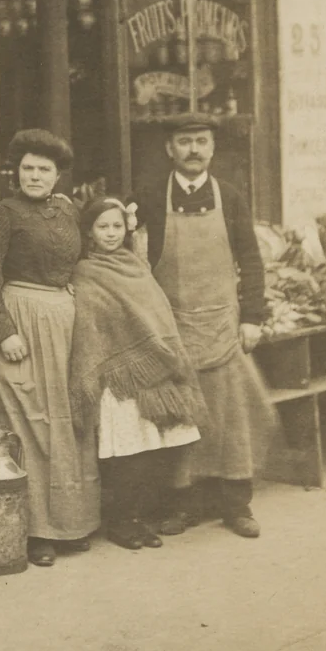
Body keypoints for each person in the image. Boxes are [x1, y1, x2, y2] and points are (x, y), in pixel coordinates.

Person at [132, 113, 275, 539]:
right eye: (185, 141)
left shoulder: (230, 197)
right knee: (179, 420)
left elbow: (250, 260)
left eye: (201, 141)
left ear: (212, 148)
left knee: (232, 420)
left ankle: (237, 505)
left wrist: (252, 317)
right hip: (171, 330)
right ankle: (182, 505)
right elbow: (131, 263)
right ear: (169, 149)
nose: (193, 149)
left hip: (223, 328)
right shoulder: (149, 198)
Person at [0, 129, 101, 567]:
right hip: (20, 324)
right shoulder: (2, 215)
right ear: (15, 172)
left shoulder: (67, 210)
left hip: (63, 325)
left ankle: (72, 524)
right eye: (28, 168)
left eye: (44, 169)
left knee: (67, 423)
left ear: (59, 175)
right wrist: (3, 331)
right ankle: (35, 532)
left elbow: (95, 244)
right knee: (29, 425)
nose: (35, 176)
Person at [69, 197, 204, 551]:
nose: (111, 234)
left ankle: (139, 517)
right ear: (90, 232)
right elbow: (90, 325)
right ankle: (121, 522)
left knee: (152, 447)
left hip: (151, 374)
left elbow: (155, 312)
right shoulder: (85, 271)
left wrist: (160, 352)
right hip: (117, 377)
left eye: (116, 226)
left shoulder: (136, 265)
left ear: (126, 228)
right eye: (103, 227)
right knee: (126, 451)